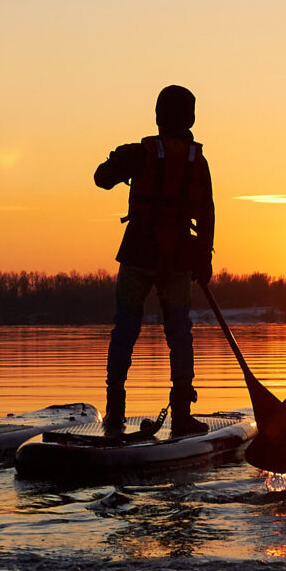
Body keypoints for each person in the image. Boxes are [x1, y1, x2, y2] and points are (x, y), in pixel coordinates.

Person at [91, 85, 214, 439]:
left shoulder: (139, 153)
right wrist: (203, 258)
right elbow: (207, 214)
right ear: (190, 118)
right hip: (177, 258)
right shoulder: (197, 160)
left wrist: (118, 159)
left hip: (139, 252)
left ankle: (115, 411)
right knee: (179, 333)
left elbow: (101, 179)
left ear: (158, 117)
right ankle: (182, 414)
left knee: (125, 329)